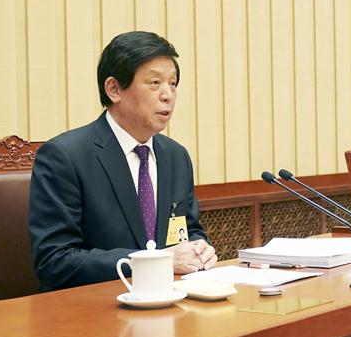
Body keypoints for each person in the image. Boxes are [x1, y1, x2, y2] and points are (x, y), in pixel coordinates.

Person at [30, 31, 217, 290]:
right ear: (114, 89)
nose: (168, 95)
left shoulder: (175, 156)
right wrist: (154, 261)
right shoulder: (65, 156)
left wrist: (199, 249)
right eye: (155, 83)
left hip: (171, 298)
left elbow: (188, 230)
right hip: (94, 304)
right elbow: (55, 261)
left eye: (173, 83)